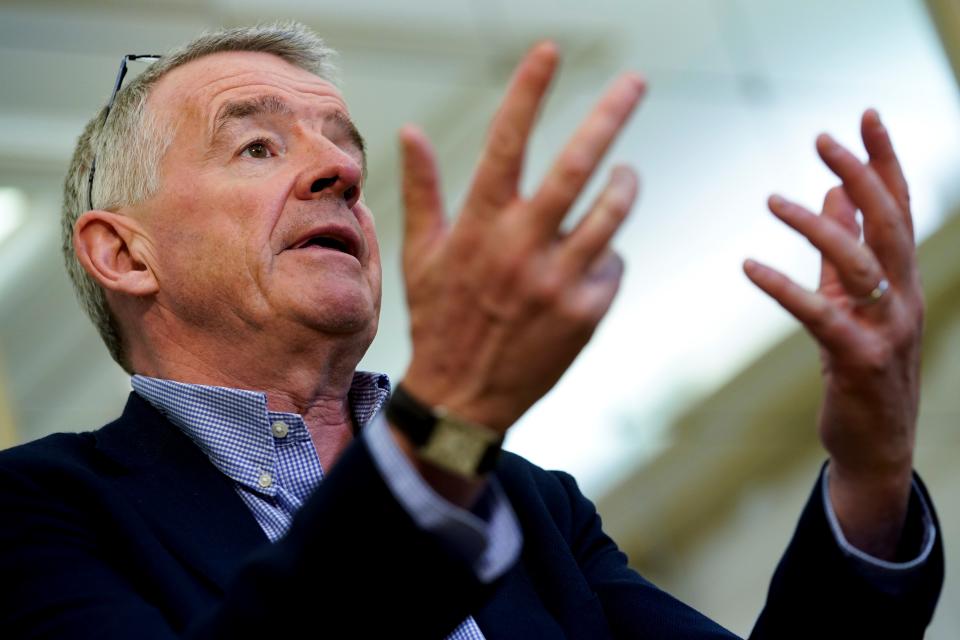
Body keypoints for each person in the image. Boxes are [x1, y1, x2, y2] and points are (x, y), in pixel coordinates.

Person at [0, 21, 943, 639]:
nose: (338, 172)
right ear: (124, 255)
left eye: (345, 148)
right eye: (258, 144)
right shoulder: (35, 515)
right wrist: (451, 411)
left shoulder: (529, 506)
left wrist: (870, 472)